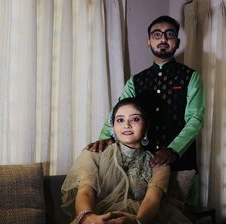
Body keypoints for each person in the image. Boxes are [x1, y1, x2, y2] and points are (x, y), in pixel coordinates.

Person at [26, 98, 220, 224]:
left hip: (146, 223)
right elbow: (86, 191)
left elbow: (153, 199)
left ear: (146, 126)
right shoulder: (94, 153)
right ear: (113, 126)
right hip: (99, 218)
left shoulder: (159, 163)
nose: (126, 124)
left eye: (135, 119)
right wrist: (87, 220)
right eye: (120, 120)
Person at [87, 15, 205, 176]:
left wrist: (173, 150)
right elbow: (118, 111)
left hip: (181, 161)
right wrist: (105, 137)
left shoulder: (191, 77)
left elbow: (195, 119)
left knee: (181, 201)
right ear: (149, 41)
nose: (163, 38)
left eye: (169, 34)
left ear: (176, 43)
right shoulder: (136, 81)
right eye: (157, 34)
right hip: (143, 161)